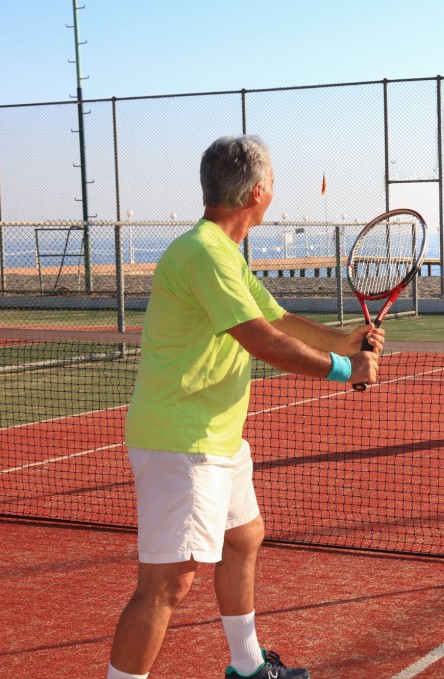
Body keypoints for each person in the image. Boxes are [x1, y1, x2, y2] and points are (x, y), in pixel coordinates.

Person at [107, 135, 384, 679]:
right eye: (274, 182)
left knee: (243, 537)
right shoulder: (205, 254)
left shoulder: (223, 253)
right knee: (167, 583)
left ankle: (248, 665)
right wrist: (344, 369)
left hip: (219, 438)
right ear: (258, 193)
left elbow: (276, 319)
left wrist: (346, 341)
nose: (275, 190)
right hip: (184, 442)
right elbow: (260, 339)